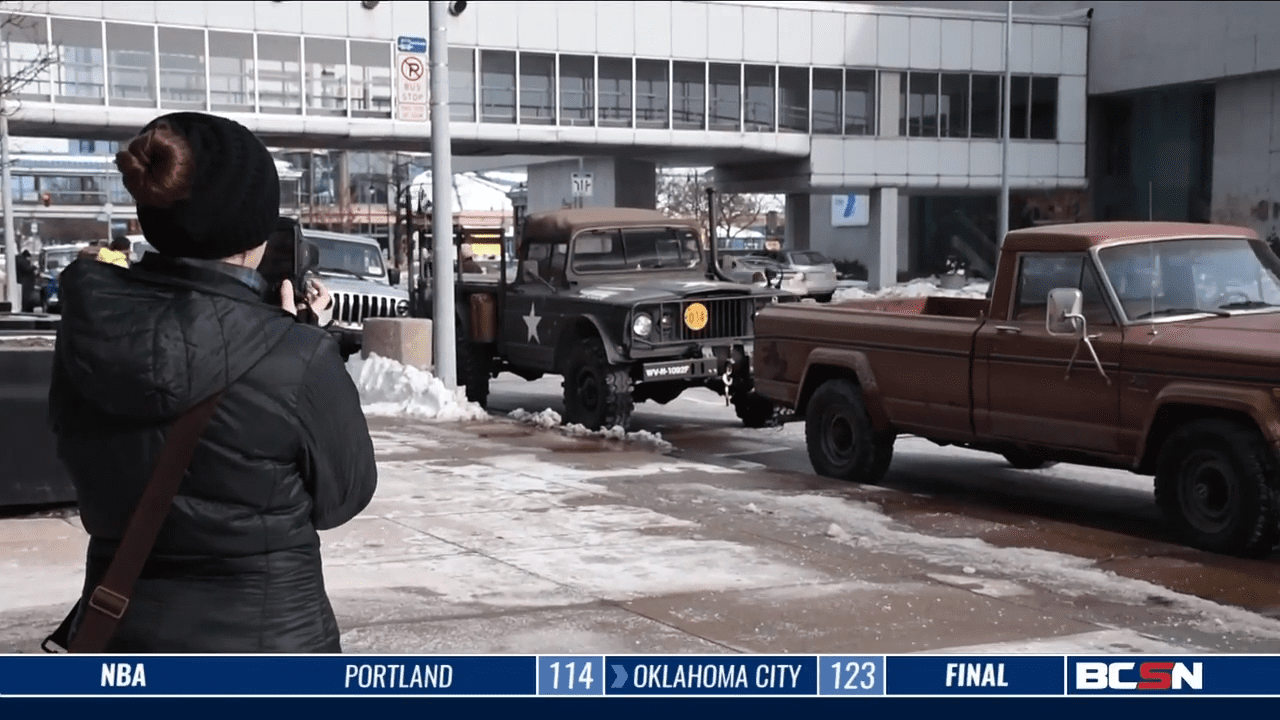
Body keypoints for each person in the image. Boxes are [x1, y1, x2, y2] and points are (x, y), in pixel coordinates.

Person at [48, 111, 377, 653]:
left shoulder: (89, 333)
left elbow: (92, 485)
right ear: (256, 235)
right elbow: (343, 497)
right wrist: (295, 341)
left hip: (122, 643)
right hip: (269, 658)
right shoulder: (297, 357)